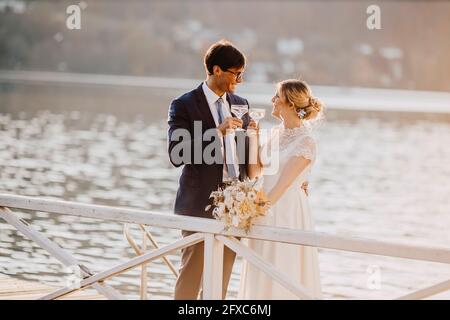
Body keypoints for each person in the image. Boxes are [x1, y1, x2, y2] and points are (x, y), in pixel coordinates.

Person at [167, 40, 254, 299]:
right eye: (235, 73)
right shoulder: (184, 104)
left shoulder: (241, 103)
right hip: (197, 204)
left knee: (221, 280)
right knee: (191, 277)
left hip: (235, 207)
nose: (239, 79)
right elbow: (176, 154)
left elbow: (245, 158)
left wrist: (253, 139)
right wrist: (217, 132)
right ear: (217, 70)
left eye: (242, 74)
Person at [239, 79, 323, 299]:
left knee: (284, 271)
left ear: (291, 104)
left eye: (277, 96)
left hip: (286, 212)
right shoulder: (274, 133)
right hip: (264, 207)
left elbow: (283, 184)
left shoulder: (306, 141)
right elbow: (255, 172)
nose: (272, 100)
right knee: (260, 272)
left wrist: (252, 213)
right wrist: (253, 137)